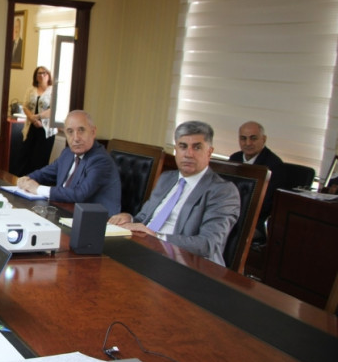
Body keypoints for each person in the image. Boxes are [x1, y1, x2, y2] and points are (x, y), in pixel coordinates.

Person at [109, 120, 241, 266]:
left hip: (184, 263)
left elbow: (208, 244)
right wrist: (129, 219)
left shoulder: (223, 191)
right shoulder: (167, 178)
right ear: (176, 150)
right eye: (183, 146)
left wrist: (156, 237)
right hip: (142, 250)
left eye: (197, 147)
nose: (188, 154)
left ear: (209, 152)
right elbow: (144, 219)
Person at [16, 110, 121, 215]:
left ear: (93, 132)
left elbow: (80, 194)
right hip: (64, 212)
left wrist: (38, 189)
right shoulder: (68, 153)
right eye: (70, 132)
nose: (76, 138)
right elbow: (45, 173)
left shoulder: (100, 160)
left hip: (95, 220)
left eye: (81, 130)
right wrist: (26, 179)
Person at [228, 121, 285, 235]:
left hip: (255, 221)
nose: (248, 143)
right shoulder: (235, 158)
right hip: (231, 214)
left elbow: (266, 205)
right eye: (243, 138)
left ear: (263, 139)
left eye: (253, 138)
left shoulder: (274, 165)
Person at [17, 66, 55, 175]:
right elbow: (25, 106)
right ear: (35, 76)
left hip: (46, 130)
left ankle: (36, 181)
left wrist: (38, 117)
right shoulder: (30, 90)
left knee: (39, 159)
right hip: (31, 127)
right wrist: (33, 119)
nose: (42, 75)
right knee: (24, 156)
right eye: (39, 73)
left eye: (44, 73)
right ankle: (22, 181)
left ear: (48, 75)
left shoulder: (53, 91)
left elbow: (53, 109)